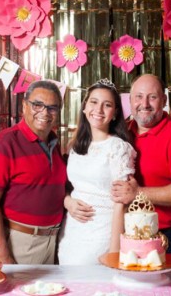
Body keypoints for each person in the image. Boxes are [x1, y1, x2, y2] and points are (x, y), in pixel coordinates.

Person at [111, 74, 171, 257]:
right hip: (125, 234)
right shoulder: (120, 135)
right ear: (129, 100)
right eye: (138, 96)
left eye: (152, 97)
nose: (144, 104)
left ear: (164, 100)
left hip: (166, 237)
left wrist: (138, 193)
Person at [0, 80, 67, 265]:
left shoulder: (54, 142)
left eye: (52, 108)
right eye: (38, 105)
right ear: (24, 106)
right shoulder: (5, 143)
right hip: (19, 242)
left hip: (53, 241)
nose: (44, 112)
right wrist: (2, 253)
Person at [58, 79, 136, 265]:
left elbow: (121, 203)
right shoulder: (74, 146)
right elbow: (67, 187)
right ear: (84, 107)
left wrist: (115, 250)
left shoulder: (118, 148)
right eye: (94, 102)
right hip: (72, 232)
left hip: (102, 232)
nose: (99, 110)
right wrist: (68, 202)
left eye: (107, 105)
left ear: (115, 113)